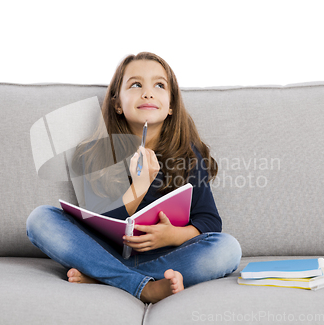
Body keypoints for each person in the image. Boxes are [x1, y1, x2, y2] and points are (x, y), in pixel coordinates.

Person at [26, 52, 242, 303]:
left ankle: (106, 279)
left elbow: (209, 220)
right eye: (136, 84)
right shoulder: (94, 153)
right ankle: (143, 286)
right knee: (40, 219)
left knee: (227, 249)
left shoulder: (188, 154)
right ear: (117, 103)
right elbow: (99, 223)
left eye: (159, 85)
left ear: (171, 105)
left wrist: (172, 235)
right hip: (103, 252)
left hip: (167, 256)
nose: (148, 93)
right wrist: (138, 187)